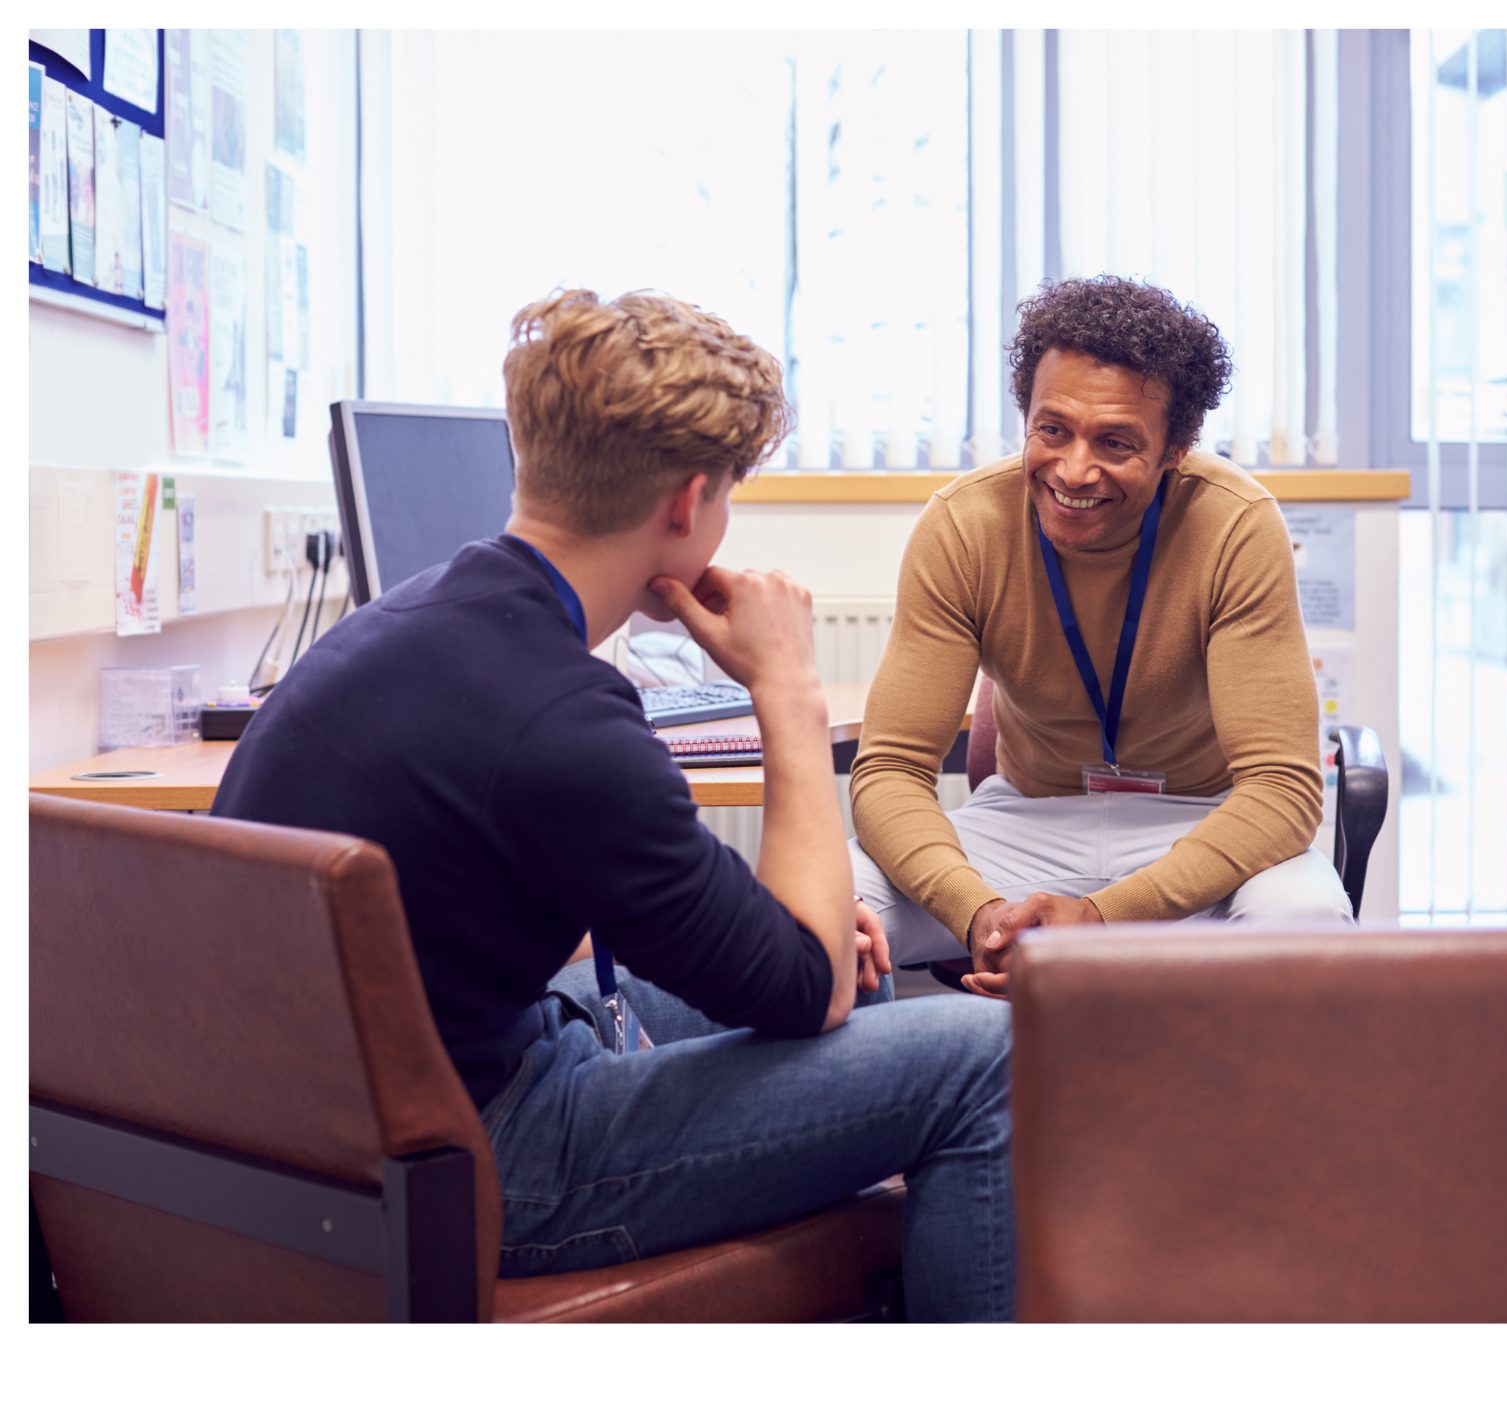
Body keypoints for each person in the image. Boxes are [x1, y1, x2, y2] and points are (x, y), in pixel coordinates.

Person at [213, 289, 1014, 1321]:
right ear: (688, 505)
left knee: (855, 975)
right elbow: (801, 988)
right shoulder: (562, 721)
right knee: (983, 1059)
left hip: (340, 1117)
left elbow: (784, 959)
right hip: (476, 1159)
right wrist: (789, 689)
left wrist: (807, 953)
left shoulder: (412, 617)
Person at [849, 275, 1350, 999]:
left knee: (1306, 922)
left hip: (1199, 824)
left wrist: (1105, 917)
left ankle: (1233, 1116)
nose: (1074, 470)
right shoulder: (964, 526)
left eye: (1115, 442)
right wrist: (980, 913)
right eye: (1052, 430)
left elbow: (1281, 791)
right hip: (1026, 824)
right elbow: (890, 771)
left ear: (1175, 447)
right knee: (827, 906)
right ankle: (907, 1101)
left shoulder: (1236, 525)